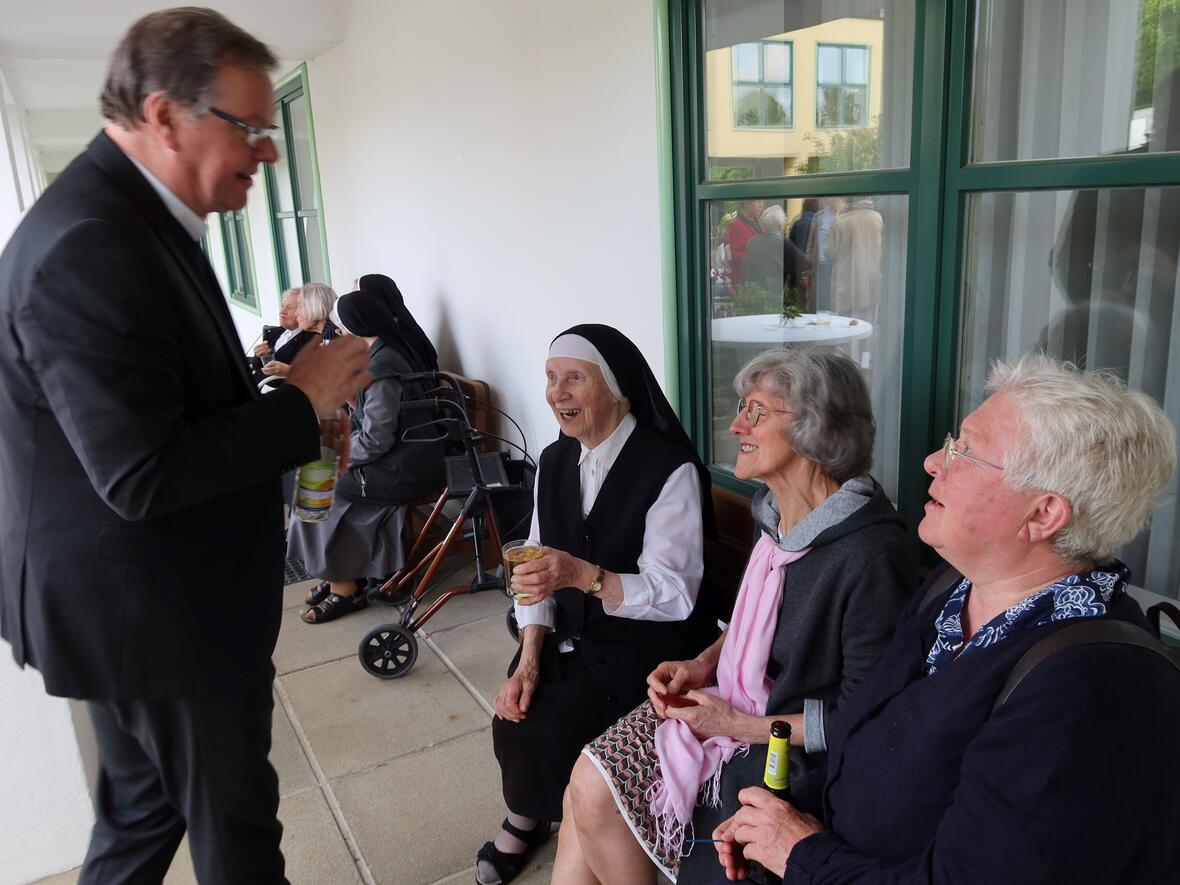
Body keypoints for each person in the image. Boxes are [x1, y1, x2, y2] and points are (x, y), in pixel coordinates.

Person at [0, 9, 371, 884]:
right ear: (163, 115)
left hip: (136, 607)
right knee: (237, 830)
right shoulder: (89, 243)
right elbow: (142, 472)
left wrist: (294, 407)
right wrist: (298, 399)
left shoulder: (136, 218)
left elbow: (168, 401)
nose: (269, 151)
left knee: (143, 815)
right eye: (248, 126)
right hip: (153, 615)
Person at [712, 354, 1180, 884]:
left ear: (1043, 515)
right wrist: (781, 820)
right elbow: (864, 738)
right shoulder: (953, 588)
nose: (934, 461)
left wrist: (799, 852)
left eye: (966, 452)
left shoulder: (1080, 694)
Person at [553, 349, 917, 885]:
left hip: (788, 752)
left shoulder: (869, 555)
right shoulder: (778, 516)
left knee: (593, 788)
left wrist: (737, 725)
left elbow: (863, 720)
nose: (736, 424)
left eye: (758, 412)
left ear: (816, 429)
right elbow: (762, 621)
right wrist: (705, 662)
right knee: (581, 790)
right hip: (736, 705)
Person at [477, 324, 718, 885]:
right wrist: (529, 652)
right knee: (518, 706)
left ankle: (563, 819)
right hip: (569, 633)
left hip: (648, 646)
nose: (556, 393)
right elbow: (534, 572)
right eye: (550, 378)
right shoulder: (555, 460)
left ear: (617, 389)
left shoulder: (669, 469)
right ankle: (534, 813)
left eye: (575, 379)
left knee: (558, 717)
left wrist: (586, 577)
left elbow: (677, 594)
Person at [289, 281, 444, 622]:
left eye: (342, 326)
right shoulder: (382, 353)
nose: (339, 331)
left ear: (357, 327)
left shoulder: (382, 368)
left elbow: (376, 439)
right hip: (404, 457)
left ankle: (347, 587)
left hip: (405, 466)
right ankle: (338, 575)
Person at [262, 281, 339, 379]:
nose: (296, 313)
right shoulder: (327, 333)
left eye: (300, 306)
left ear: (315, 307)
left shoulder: (332, 336)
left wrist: (289, 371)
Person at [741, 205, 812, 307]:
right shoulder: (784, 244)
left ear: (763, 225)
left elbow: (745, 270)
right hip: (776, 299)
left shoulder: (753, 242)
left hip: (754, 297)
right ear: (780, 226)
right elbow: (805, 264)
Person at [249, 287, 317, 385]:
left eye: (289, 308)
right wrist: (258, 356)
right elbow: (257, 367)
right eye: (282, 306)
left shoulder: (311, 339)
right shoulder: (274, 332)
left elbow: (314, 378)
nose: (282, 311)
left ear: (304, 311)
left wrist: (289, 371)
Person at [725, 200, 764, 285]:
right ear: (746, 203)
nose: (761, 205)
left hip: (759, 280)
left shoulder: (760, 223)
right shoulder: (735, 226)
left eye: (762, 201)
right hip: (747, 282)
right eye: (758, 201)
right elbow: (735, 255)